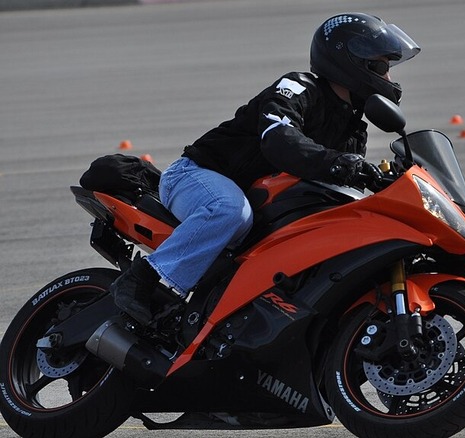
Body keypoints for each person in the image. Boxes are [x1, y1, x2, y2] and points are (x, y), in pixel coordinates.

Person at [110, 13, 421, 325]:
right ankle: (142, 279)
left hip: (254, 200)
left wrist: (386, 184)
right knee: (230, 210)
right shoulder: (298, 87)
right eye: (382, 67)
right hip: (197, 176)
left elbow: (338, 187)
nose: (389, 79)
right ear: (350, 61)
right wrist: (339, 163)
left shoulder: (353, 127)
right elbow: (280, 139)